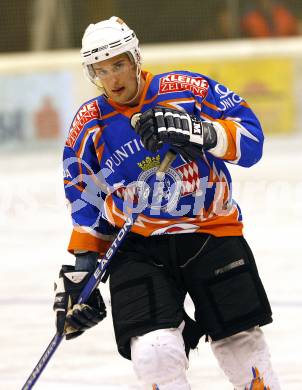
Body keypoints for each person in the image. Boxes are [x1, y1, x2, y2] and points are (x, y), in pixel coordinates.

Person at [53, 16, 281, 389]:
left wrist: (198, 131)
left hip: (210, 233)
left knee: (242, 348)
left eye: (119, 64)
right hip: (138, 246)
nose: (113, 79)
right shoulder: (88, 124)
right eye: (101, 70)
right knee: (154, 353)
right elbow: (85, 200)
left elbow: (251, 141)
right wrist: (83, 273)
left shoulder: (186, 89)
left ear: (136, 58)